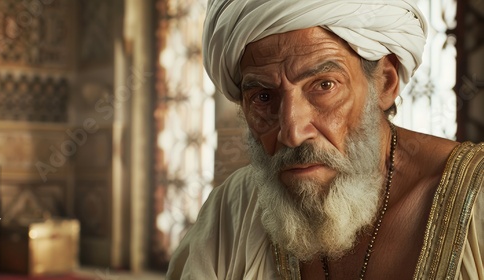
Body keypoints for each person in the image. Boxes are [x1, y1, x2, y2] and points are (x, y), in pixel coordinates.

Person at [166, 0, 484, 279]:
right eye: (263, 96)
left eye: (324, 86)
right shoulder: (231, 213)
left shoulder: (478, 203)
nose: (291, 131)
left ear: (385, 83)